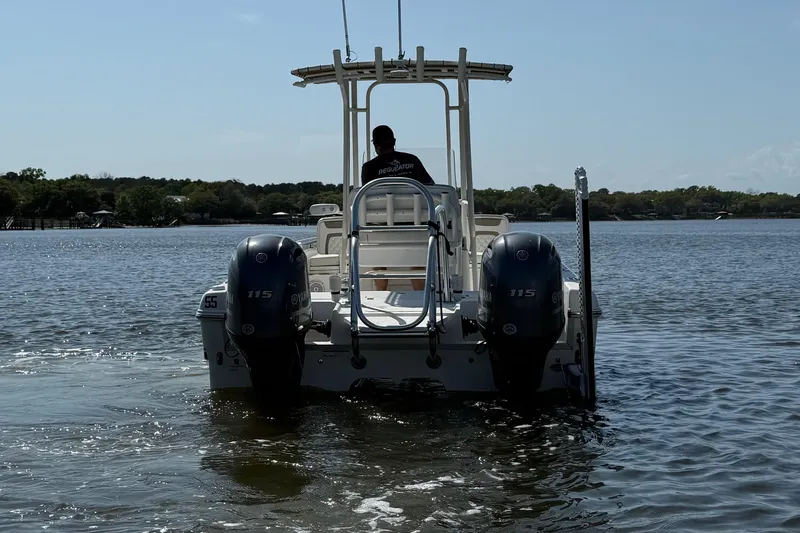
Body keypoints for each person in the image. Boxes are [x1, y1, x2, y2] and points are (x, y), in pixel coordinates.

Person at [360, 125, 434, 291]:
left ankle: (380, 292)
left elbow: (367, 197)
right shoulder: (412, 161)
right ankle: (420, 293)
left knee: (378, 238)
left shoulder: (369, 168)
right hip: (415, 229)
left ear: (375, 145)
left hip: (383, 232)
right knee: (417, 248)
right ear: (394, 142)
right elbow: (431, 189)